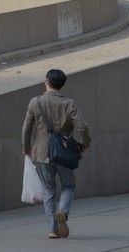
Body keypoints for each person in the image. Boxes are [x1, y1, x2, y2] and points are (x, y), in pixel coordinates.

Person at [22, 69, 91, 239]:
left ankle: (53, 229)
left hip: (42, 152)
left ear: (46, 81)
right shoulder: (69, 103)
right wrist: (85, 143)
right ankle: (63, 211)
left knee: (48, 189)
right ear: (62, 85)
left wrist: (26, 148)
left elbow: (26, 128)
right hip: (63, 152)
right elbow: (82, 126)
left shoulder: (35, 102)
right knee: (68, 186)